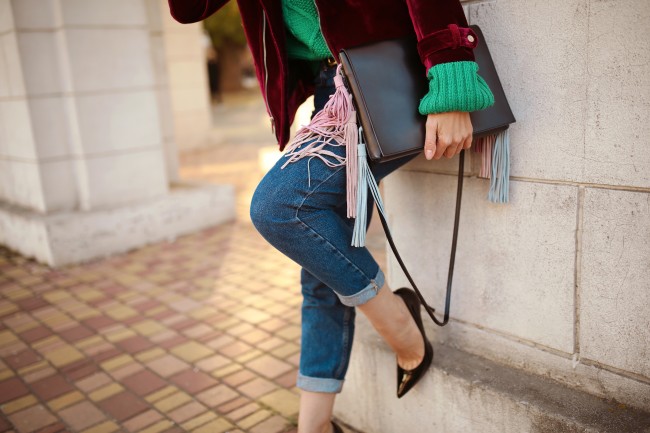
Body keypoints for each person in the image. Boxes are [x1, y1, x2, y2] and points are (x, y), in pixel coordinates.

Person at [168, 1, 494, 432]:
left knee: (279, 207)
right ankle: (315, 426)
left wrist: (452, 73)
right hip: (333, 88)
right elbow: (188, 9)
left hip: (386, 72)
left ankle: (400, 324)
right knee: (321, 263)